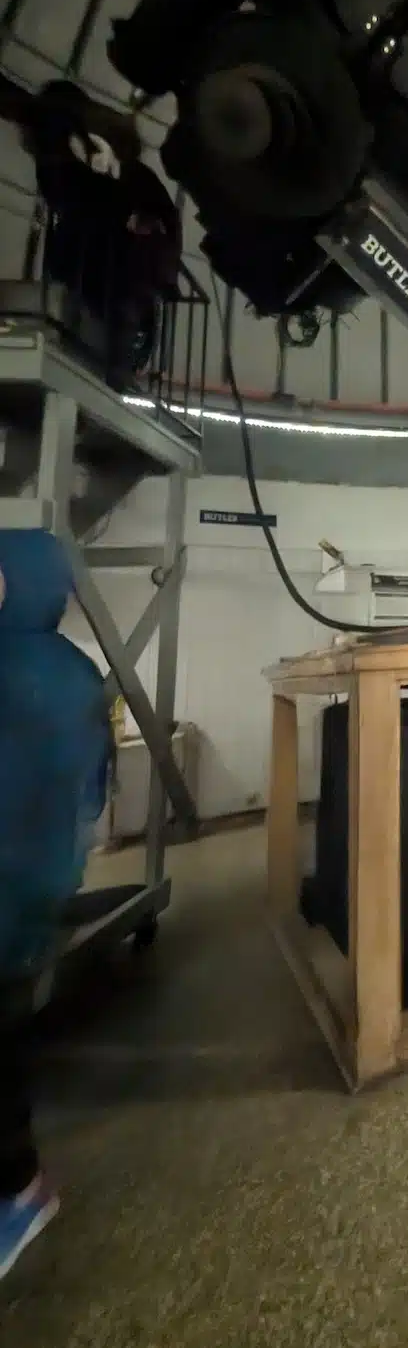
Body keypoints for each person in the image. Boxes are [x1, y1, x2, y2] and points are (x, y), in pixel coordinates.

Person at [0, 531, 113, 1281]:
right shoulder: (73, 671)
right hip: (39, 881)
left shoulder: (20, 674)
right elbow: (96, 790)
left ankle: (18, 1194)